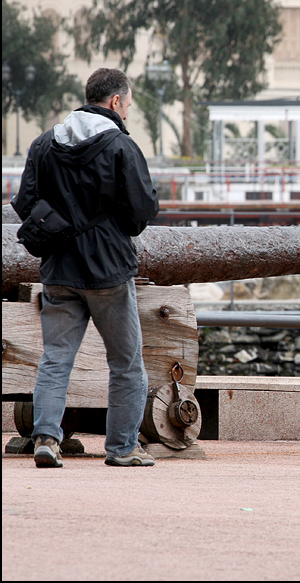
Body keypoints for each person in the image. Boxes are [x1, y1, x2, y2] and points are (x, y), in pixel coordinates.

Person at [12, 68, 159, 468]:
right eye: (127, 104)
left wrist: (58, 224)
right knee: (126, 363)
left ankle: (45, 436)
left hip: (59, 268)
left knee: (56, 358)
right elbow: (141, 213)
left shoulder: (45, 143)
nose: (127, 111)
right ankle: (123, 448)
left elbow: (24, 202)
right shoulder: (121, 147)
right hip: (109, 270)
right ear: (115, 102)